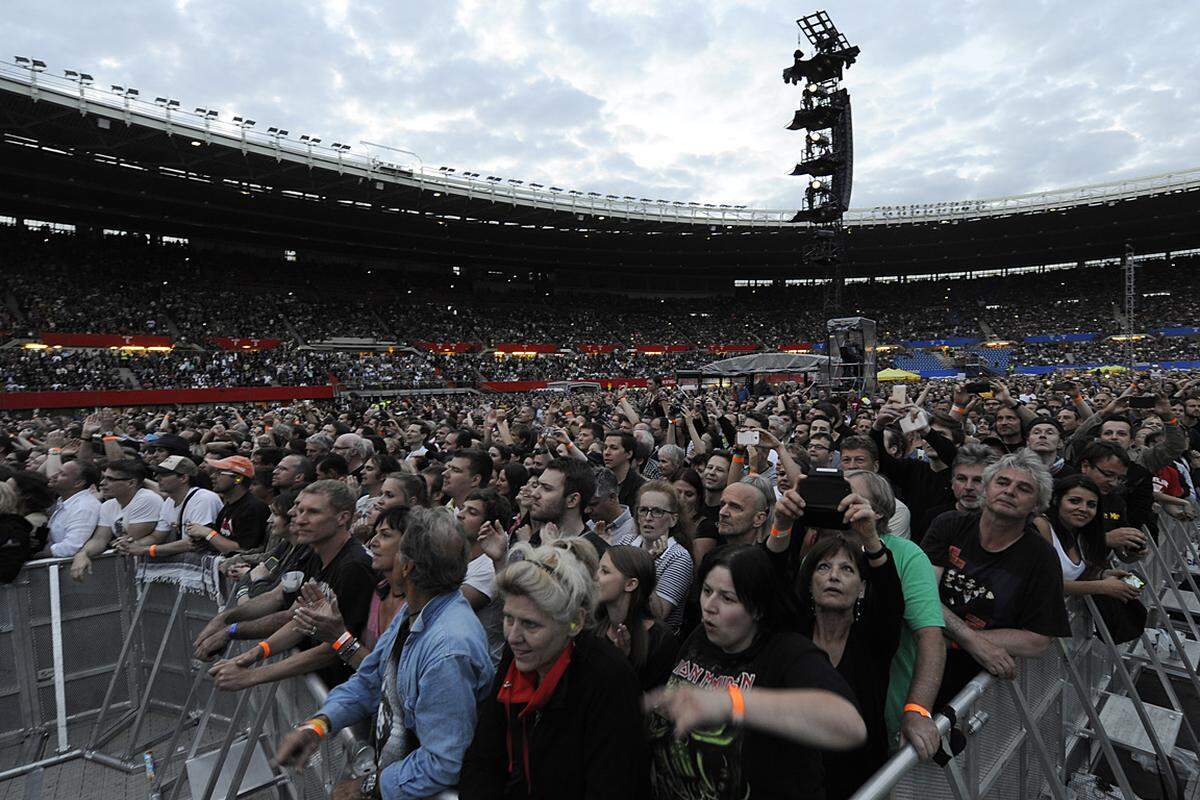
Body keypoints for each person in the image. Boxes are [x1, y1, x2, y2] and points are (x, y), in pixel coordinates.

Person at [275, 507, 495, 800]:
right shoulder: (414, 610)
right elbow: (370, 679)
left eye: (395, 544)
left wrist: (369, 786)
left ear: (407, 567)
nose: (373, 545)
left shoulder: (449, 649)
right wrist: (317, 725)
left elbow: (443, 762)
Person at [645, 545, 866, 800]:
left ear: (757, 608)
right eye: (707, 591)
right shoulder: (701, 638)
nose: (710, 606)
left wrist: (732, 701)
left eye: (728, 598)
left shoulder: (788, 653)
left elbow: (850, 725)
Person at [459, 541, 648, 799]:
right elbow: (483, 759)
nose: (513, 636)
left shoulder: (609, 680)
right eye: (508, 618)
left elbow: (613, 787)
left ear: (575, 622)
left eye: (531, 624)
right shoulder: (516, 656)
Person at [922, 451, 1071, 703]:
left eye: (1023, 488)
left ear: (1036, 505)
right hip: (924, 656)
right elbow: (923, 595)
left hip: (979, 679)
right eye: (1002, 482)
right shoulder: (949, 525)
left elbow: (1037, 640)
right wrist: (970, 640)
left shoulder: (1041, 557)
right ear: (986, 489)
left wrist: (953, 641)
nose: (1010, 491)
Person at [796, 518, 904, 799]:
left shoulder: (873, 641)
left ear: (862, 588)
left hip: (859, 781)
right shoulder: (792, 637)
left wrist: (870, 538)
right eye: (823, 567)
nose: (834, 576)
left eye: (846, 569)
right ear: (809, 584)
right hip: (795, 777)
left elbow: (891, 598)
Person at [1033, 474, 1144, 601]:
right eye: (1074, 501)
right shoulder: (1041, 526)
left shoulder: (1080, 533)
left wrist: (1101, 576)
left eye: (1091, 505)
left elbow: (1070, 577)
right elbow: (1044, 582)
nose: (1083, 509)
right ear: (1057, 500)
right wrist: (1102, 587)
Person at [594, 545, 680, 690]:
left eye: (604, 571)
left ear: (630, 584)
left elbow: (647, 703)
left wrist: (623, 662)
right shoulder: (594, 624)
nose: (595, 576)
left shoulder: (660, 639)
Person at [612, 481, 694, 631]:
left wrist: (647, 565)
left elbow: (659, 614)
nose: (648, 517)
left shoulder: (679, 557)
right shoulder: (626, 541)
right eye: (643, 510)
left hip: (651, 641)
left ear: (673, 519)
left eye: (657, 511)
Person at [70, 459, 163, 581]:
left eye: (110, 479)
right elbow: (99, 539)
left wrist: (113, 543)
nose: (102, 483)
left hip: (157, 569)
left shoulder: (147, 499)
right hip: (136, 570)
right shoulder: (108, 505)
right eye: (103, 478)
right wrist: (83, 554)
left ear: (131, 483)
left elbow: (130, 539)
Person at [117, 455, 224, 558]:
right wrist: (132, 545)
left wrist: (146, 550)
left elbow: (194, 543)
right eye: (157, 473)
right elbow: (157, 536)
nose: (157, 478)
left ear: (183, 478)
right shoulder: (169, 501)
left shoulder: (204, 498)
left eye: (164, 474)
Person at [186, 456, 270, 555]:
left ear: (238, 479)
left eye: (219, 473)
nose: (212, 476)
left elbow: (243, 550)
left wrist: (208, 533)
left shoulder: (254, 508)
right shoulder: (229, 506)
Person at [527, 457, 608, 556]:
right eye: (537, 485)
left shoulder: (595, 554)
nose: (534, 494)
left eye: (546, 488)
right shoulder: (537, 539)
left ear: (572, 500)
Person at [43, 459, 101, 558]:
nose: (54, 476)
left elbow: (72, 547)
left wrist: (32, 555)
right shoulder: (64, 501)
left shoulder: (84, 507)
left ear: (78, 483)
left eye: (62, 474)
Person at [584, 466, 634, 545]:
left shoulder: (634, 531)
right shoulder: (589, 526)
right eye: (584, 504)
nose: (586, 510)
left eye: (593, 504)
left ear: (612, 497)